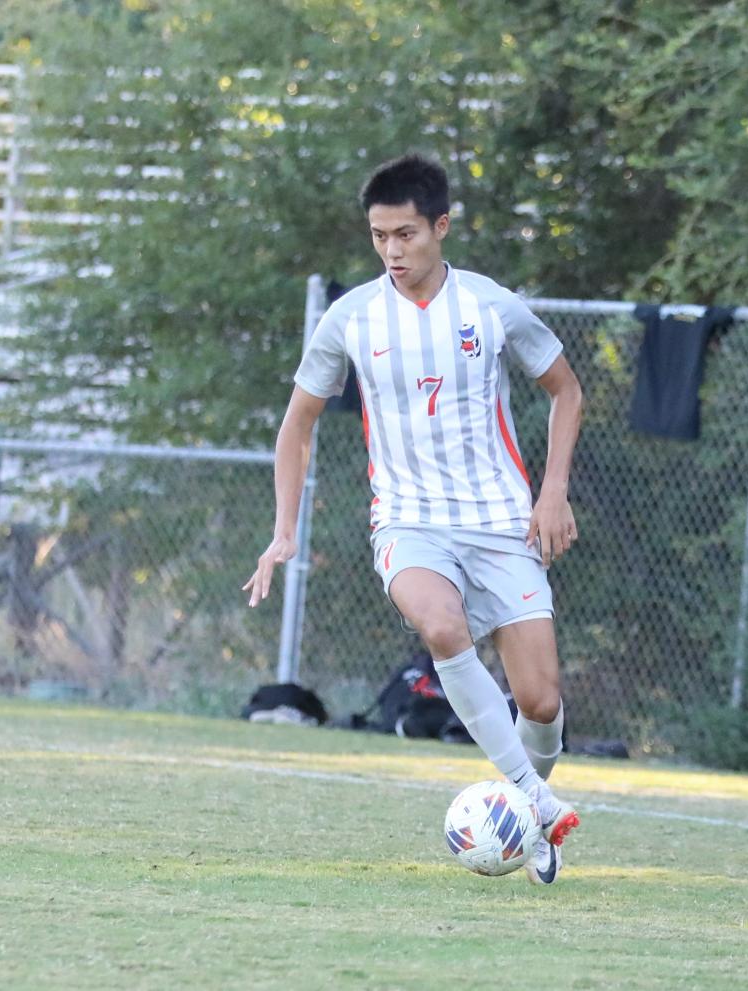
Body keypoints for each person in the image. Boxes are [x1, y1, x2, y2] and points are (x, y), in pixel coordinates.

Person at [244, 153, 584, 885]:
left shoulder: (490, 306)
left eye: (405, 234)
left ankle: (531, 816)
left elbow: (566, 390)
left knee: (543, 699)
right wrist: (283, 529)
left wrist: (552, 491)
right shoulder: (352, 318)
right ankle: (533, 797)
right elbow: (296, 427)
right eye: (378, 237)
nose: (393, 251)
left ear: (441, 226)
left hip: (500, 520)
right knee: (440, 625)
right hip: (408, 520)